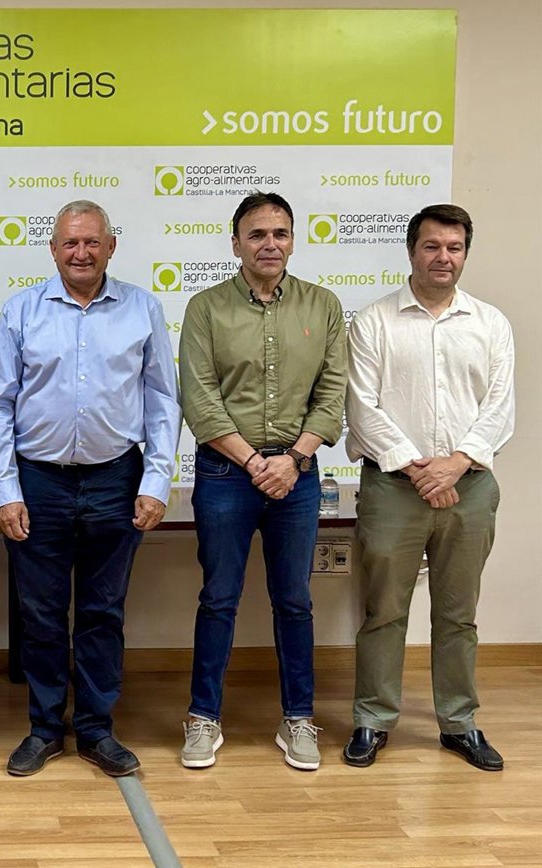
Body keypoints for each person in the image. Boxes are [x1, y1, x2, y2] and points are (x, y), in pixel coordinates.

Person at [0, 200, 180, 777]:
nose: (82, 253)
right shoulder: (21, 311)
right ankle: (45, 729)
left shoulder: (142, 308)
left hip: (116, 479)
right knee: (40, 614)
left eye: (93, 242)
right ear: (53, 249)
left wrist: (156, 481)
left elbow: (163, 401)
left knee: (103, 612)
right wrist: (6, 490)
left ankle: (95, 729)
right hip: (38, 481)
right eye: (70, 242)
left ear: (111, 247)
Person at [178, 191, 346, 771]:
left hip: (298, 476)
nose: (269, 244)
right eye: (256, 234)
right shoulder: (205, 308)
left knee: (294, 600)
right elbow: (200, 399)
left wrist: (293, 459)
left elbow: (333, 393)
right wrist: (255, 463)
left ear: (292, 241)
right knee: (218, 598)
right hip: (226, 473)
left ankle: (298, 718)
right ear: (236, 244)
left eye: (280, 233)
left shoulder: (323, 305)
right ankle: (203, 717)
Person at [343, 204, 514, 771]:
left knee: (458, 615)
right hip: (394, 489)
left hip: (471, 487)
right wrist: (421, 470)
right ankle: (373, 719)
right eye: (432, 246)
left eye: (454, 247)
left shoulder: (490, 324)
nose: (444, 257)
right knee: (384, 611)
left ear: (465, 253)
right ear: (412, 251)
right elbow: (361, 407)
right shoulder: (374, 321)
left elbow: (499, 408)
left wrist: (456, 464)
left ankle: (459, 723)